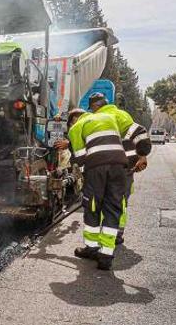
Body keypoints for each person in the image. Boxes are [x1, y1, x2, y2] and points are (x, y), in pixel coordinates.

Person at [55, 106, 128, 270]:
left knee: (93, 206)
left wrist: (73, 152)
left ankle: (92, 248)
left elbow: (80, 159)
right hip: (119, 168)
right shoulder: (107, 118)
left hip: (97, 170)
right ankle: (106, 256)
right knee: (112, 209)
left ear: (73, 120)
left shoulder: (77, 127)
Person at [88, 93, 152, 245]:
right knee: (120, 200)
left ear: (95, 106)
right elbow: (140, 132)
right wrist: (142, 156)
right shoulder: (122, 115)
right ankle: (116, 233)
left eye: (92, 108)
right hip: (125, 167)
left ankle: (104, 233)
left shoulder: (95, 119)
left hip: (102, 168)